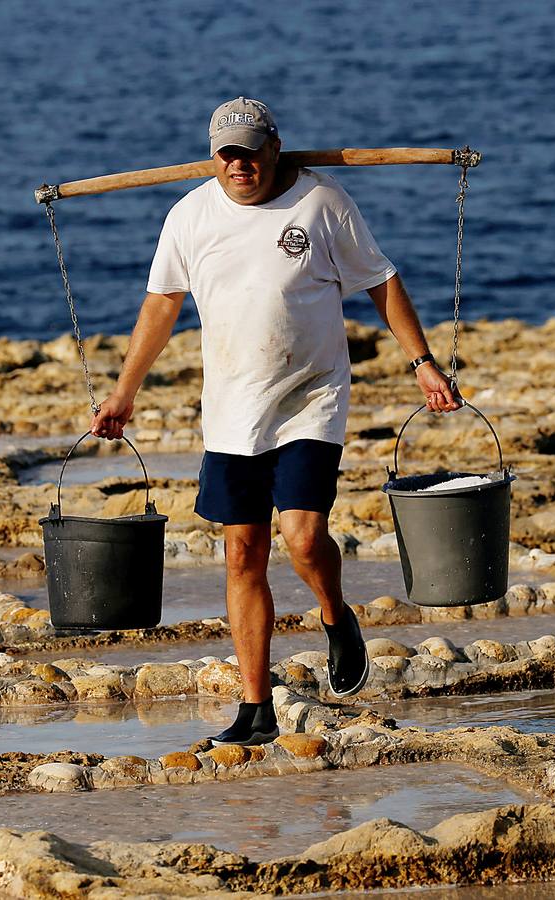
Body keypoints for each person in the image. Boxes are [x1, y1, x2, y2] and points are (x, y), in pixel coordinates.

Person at [90, 97, 459, 746]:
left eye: (250, 151)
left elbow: (380, 280)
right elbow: (161, 304)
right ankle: (254, 705)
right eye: (226, 152)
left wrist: (422, 362)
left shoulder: (320, 202)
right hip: (233, 409)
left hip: (312, 398)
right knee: (241, 552)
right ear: (213, 154)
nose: (239, 164)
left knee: (302, 536)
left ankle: (333, 614)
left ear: (274, 147)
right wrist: (124, 391)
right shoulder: (188, 216)